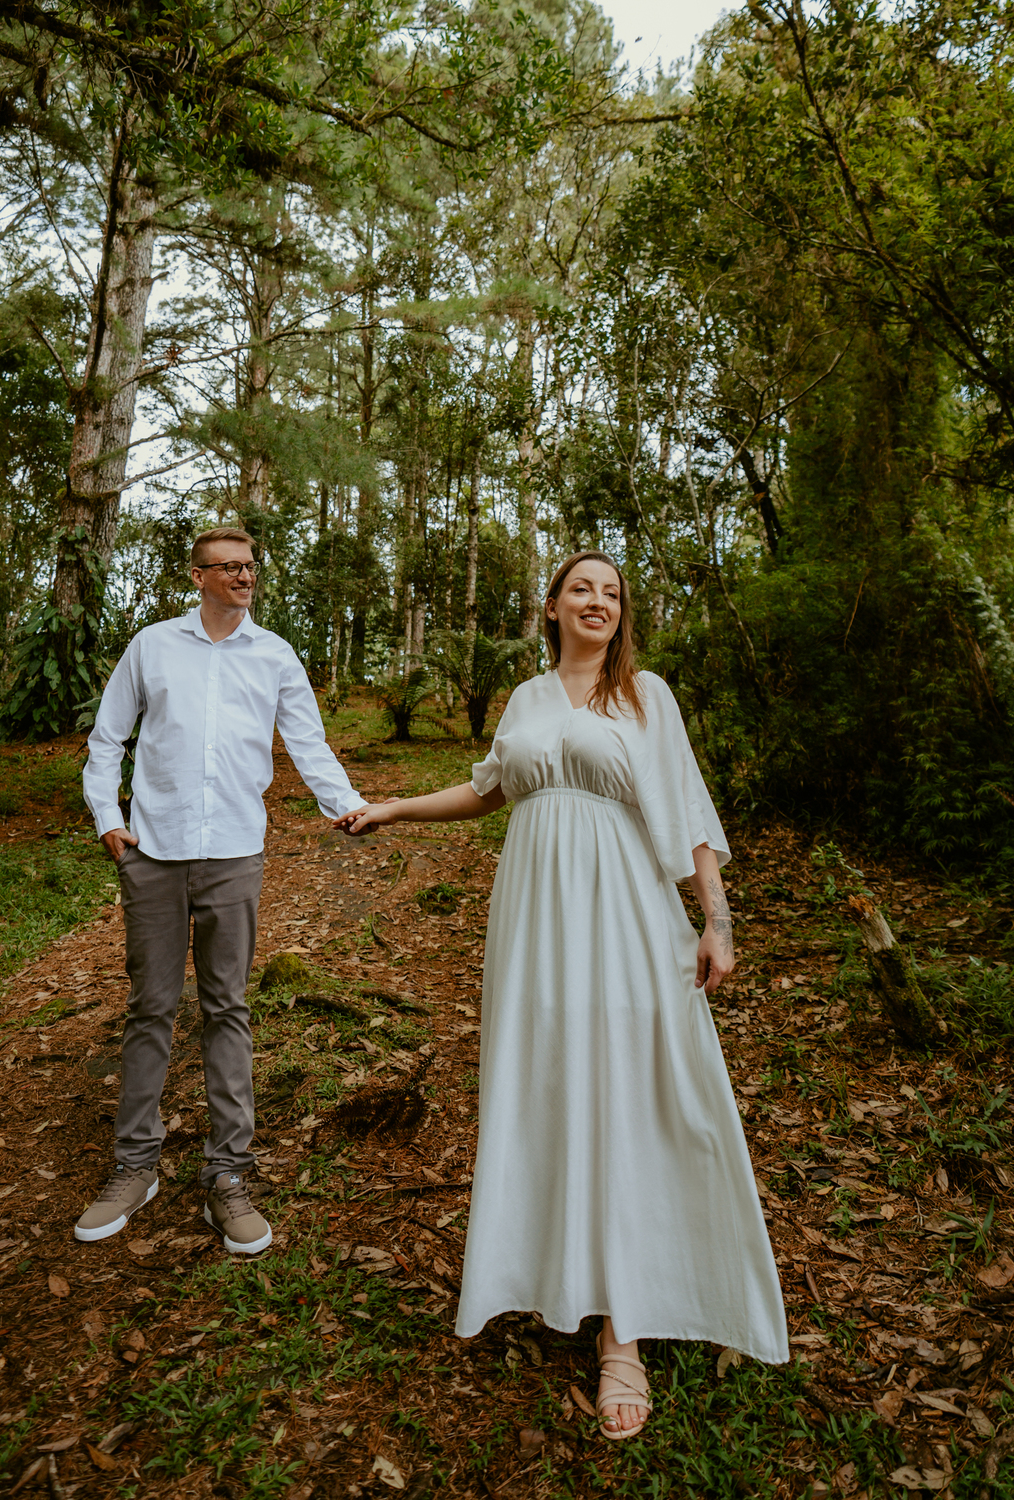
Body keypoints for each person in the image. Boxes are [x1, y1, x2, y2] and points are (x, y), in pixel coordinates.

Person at [335, 551, 788, 1440]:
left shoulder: (647, 695)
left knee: (635, 1095)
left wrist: (719, 923)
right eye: (582, 587)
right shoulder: (528, 699)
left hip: (624, 913)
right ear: (550, 606)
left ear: (622, 615)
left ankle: (626, 1328)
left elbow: (690, 813)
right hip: (535, 922)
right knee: (549, 1090)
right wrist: (392, 808)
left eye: (612, 593)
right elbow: (485, 789)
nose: (598, 601)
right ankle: (551, 1273)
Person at [77, 527, 368, 1251]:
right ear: (198, 576)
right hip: (153, 852)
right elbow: (107, 738)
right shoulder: (152, 646)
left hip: (236, 852)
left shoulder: (274, 655)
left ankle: (227, 1175)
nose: (244, 577)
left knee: (227, 1007)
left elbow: (308, 742)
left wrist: (349, 805)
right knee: (151, 1006)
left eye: (250, 567)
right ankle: (135, 1165)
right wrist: (108, 818)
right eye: (229, 568)